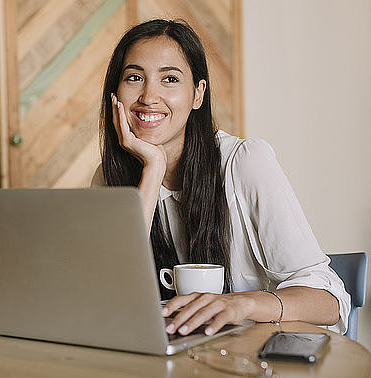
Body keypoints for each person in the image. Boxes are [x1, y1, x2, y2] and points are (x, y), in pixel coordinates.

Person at [91, 19, 350, 336]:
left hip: (254, 366)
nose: (149, 96)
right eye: (134, 77)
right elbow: (106, 297)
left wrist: (244, 304)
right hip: (167, 366)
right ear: (115, 93)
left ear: (197, 94)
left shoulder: (245, 162)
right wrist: (153, 168)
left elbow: (329, 299)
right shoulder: (109, 177)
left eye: (169, 79)